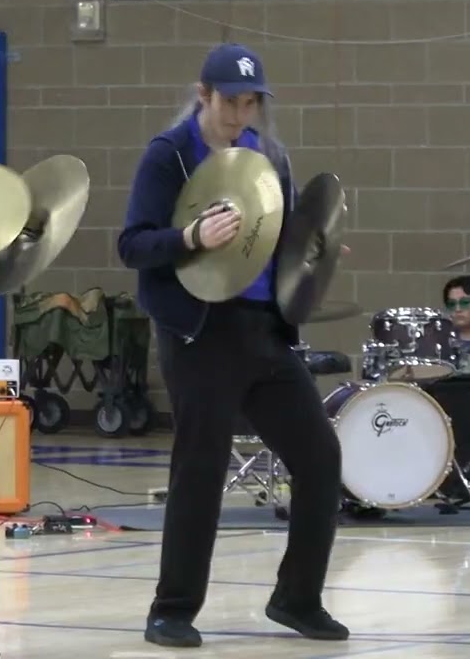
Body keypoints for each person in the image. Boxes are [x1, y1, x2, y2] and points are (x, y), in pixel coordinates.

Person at [117, 43, 349, 649]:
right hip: (199, 333)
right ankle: (170, 610)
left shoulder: (270, 157)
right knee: (201, 470)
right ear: (203, 94)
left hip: (265, 333)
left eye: (250, 102)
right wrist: (190, 236)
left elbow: (288, 245)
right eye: (229, 101)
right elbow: (133, 246)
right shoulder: (168, 155)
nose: (239, 114)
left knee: (321, 458)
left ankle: (297, 598)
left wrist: (318, 256)